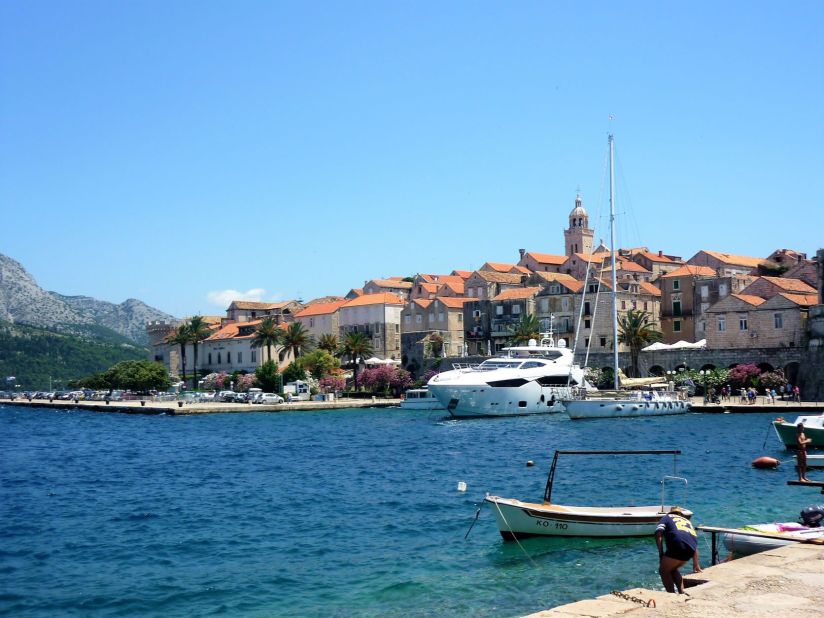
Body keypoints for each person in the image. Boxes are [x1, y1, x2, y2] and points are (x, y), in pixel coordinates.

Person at [656, 507, 701, 594]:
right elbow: (692, 542)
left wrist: (661, 554)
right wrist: (696, 564)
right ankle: (682, 591)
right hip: (691, 550)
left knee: (663, 570)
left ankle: (671, 594)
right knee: (672, 568)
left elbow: (658, 533)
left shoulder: (666, 517)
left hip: (678, 546)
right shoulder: (687, 521)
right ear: (680, 514)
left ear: (670, 513)